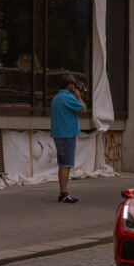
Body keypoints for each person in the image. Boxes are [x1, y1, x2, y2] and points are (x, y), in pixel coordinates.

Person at [50, 75, 87, 203]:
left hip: (57, 134)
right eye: (73, 85)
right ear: (70, 86)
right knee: (66, 164)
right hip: (67, 134)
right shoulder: (68, 98)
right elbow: (83, 108)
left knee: (62, 164)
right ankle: (63, 193)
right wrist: (79, 97)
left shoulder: (55, 98)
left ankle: (62, 192)